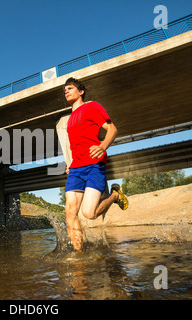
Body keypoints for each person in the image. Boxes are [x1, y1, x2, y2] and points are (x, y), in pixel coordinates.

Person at [63, 77, 128, 251]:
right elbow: (75, 145)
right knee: (70, 212)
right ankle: (79, 256)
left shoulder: (92, 107)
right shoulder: (69, 120)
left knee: (89, 213)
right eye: (65, 90)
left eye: (70, 88)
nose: (66, 91)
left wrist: (102, 146)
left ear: (81, 91)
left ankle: (114, 195)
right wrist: (70, 163)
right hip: (76, 168)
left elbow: (112, 129)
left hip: (94, 165)